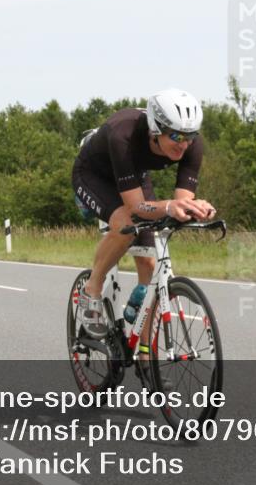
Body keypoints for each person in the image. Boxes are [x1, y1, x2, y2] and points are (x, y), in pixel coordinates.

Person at [71, 89, 216, 341]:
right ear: (155, 129)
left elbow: (181, 202)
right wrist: (169, 206)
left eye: (190, 136)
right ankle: (92, 289)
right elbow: (137, 208)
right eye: (176, 136)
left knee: (149, 264)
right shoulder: (122, 133)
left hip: (134, 174)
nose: (184, 144)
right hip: (94, 174)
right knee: (126, 225)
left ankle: (146, 359)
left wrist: (195, 209)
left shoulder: (192, 146)